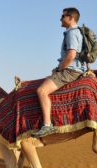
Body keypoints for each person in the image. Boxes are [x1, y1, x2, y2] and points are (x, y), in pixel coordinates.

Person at [31, 7, 86, 137]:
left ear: (71, 18)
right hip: (74, 69)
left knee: (41, 91)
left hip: (70, 71)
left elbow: (71, 55)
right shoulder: (76, 32)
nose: (60, 19)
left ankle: (47, 125)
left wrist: (60, 68)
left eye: (63, 16)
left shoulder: (72, 33)